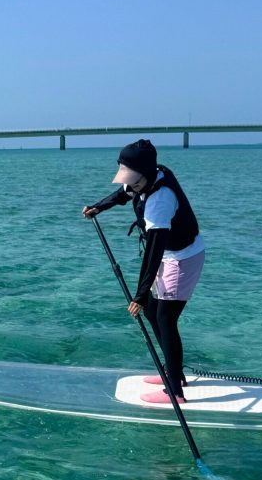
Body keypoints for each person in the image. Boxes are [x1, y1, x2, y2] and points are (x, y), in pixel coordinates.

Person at [82, 139, 205, 403]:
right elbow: (123, 194)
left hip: (182, 258)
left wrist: (138, 294)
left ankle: (175, 391)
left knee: (165, 319)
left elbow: (154, 251)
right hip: (168, 255)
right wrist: (98, 207)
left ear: (147, 175)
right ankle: (174, 374)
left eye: (135, 180)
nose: (131, 185)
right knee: (152, 310)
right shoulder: (144, 178)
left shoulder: (160, 199)